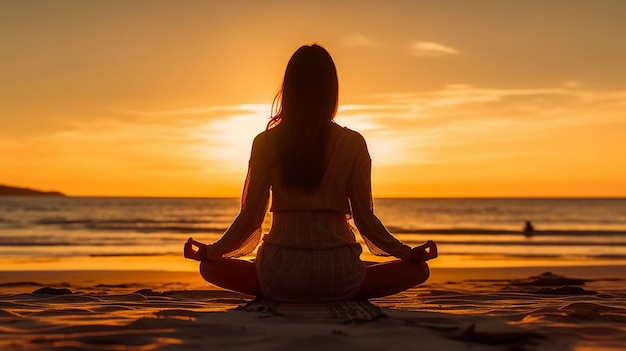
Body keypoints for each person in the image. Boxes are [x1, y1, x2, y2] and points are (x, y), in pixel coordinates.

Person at [184, 44, 437, 302]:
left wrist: (212, 252)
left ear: (289, 90)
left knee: (208, 267)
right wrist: (407, 254)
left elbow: (251, 218)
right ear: (331, 91)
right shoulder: (352, 143)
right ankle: (342, 285)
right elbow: (365, 220)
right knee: (419, 270)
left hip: (279, 276)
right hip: (340, 275)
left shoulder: (265, 142)